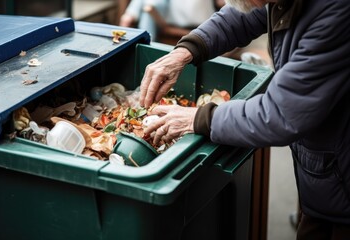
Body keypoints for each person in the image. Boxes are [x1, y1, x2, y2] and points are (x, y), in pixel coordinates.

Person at [139, 0, 350, 239]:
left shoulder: (337, 11)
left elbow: (280, 114)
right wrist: (185, 51)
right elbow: (242, 15)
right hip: (324, 178)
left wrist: (198, 118)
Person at [119, 0, 223, 42]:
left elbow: (222, 3)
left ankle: (142, 47)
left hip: (199, 22)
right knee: (149, 9)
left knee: (149, 8)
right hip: (171, 16)